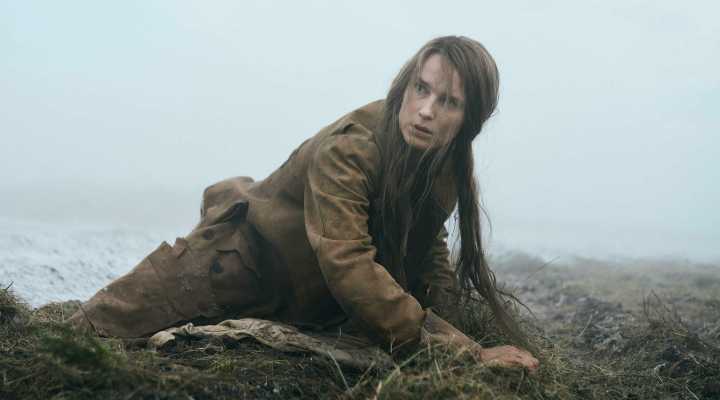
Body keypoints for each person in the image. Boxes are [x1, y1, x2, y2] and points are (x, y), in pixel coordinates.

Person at [68, 36, 539, 371]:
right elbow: (347, 260)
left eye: (449, 102)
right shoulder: (352, 147)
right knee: (84, 333)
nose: (426, 110)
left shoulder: (444, 160)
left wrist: (455, 333)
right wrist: (463, 351)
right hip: (232, 264)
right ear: (406, 84)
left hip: (303, 296)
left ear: (470, 119)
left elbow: (428, 242)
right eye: (421, 88)